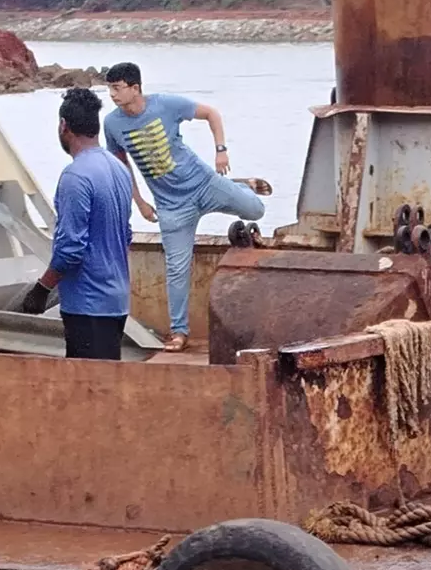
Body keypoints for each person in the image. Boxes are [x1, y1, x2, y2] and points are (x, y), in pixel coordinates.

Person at [103, 61, 265, 352]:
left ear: (135, 88)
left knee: (255, 211)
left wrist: (221, 151)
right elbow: (120, 165)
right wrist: (139, 202)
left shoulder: (166, 104)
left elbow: (210, 114)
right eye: (110, 89)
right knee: (176, 269)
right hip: (171, 206)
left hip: (204, 183)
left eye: (117, 88)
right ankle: (179, 332)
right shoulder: (112, 124)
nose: (112, 95)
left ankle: (240, 187)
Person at [22, 86, 133, 360]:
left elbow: (71, 249)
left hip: (87, 306)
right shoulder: (119, 169)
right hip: (116, 301)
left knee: (89, 391)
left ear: (64, 126)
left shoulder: (75, 177)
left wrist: (42, 288)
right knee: (105, 386)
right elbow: (126, 234)